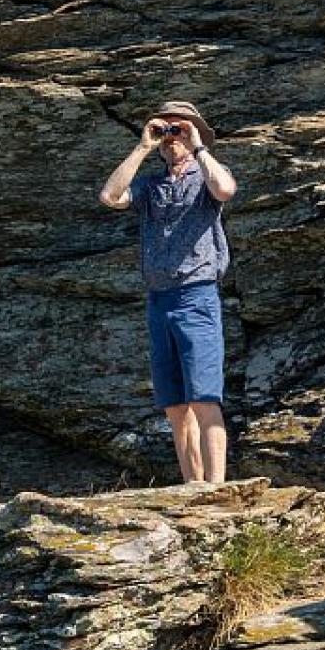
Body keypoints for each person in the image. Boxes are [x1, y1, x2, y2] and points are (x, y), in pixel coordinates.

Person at [99, 101, 238, 483]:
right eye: (167, 131)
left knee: (204, 398)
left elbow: (225, 189)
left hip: (196, 294)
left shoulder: (207, 175)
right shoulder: (151, 185)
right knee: (176, 406)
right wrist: (143, 146)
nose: (171, 138)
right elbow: (110, 197)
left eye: (180, 130)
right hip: (159, 299)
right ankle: (193, 486)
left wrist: (199, 147)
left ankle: (216, 488)